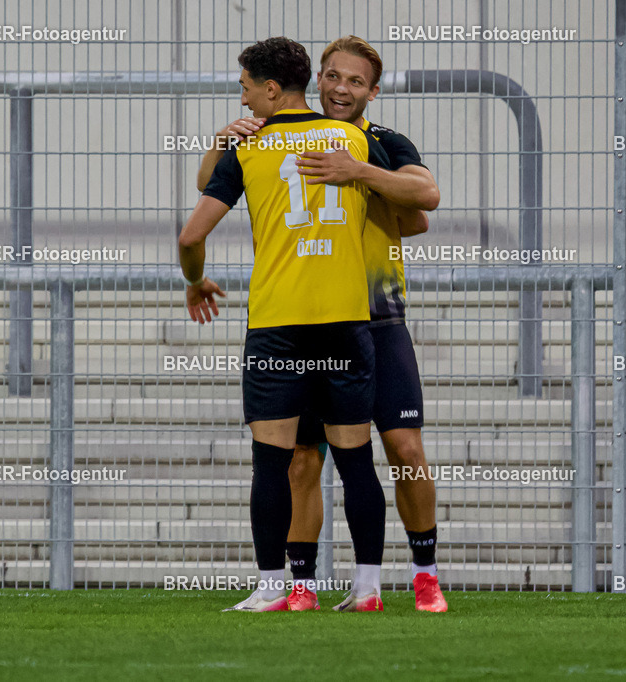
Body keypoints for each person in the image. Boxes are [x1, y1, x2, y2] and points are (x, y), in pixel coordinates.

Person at [196, 35, 446, 612]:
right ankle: (302, 584)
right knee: (303, 457)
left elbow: (426, 198)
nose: (341, 88)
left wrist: (359, 172)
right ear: (317, 80)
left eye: (355, 82)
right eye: (333, 76)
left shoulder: (375, 142)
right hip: (311, 320)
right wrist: (220, 144)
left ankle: (425, 574)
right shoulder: (275, 137)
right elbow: (209, 189)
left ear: (372, 92)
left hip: (377, 317)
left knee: (404, 448)